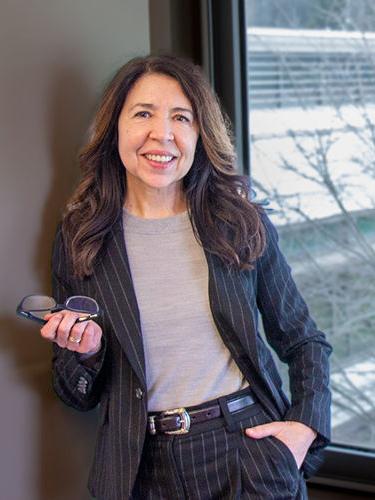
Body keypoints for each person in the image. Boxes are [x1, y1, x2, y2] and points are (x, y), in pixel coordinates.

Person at [40, 55, 332, 500]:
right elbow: (75, 394)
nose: (163, 134)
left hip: (246, 454)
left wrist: (303, 430)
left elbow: (304, 341)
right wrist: (87, 353)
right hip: (140, 468)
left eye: (182, 117)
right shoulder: (82, 236)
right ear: (114, 126)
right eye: (143, 114)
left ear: (200, 133)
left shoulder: (238, 222)